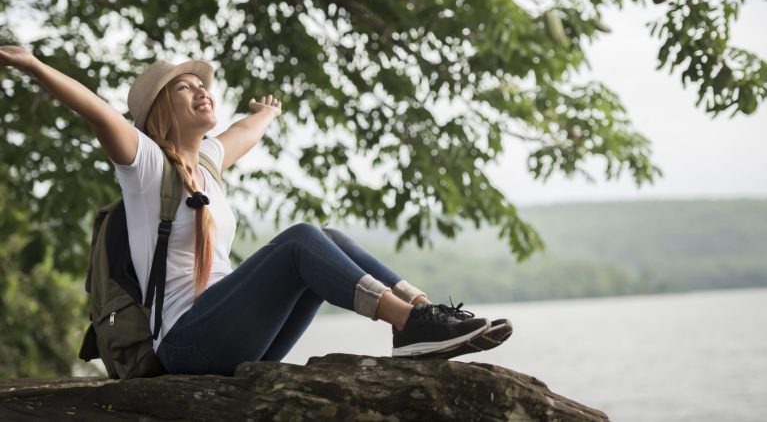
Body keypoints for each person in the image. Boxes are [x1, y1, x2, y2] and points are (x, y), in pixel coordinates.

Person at [0, 45, 511, 375]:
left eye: (204, 84)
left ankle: (419, 315)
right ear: (160, 111)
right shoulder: (146, 166)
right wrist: (35, 66)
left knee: (325, 239)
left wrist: (264, 112)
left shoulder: (208, 165)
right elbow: (96, 111)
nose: (202, 89)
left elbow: (242, 134)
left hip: (233, 340)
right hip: (185, 346)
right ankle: (409, 323)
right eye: (186, 86)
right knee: (299, 239)